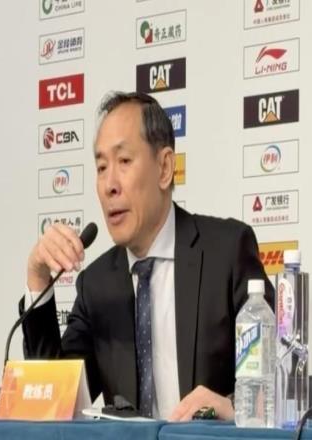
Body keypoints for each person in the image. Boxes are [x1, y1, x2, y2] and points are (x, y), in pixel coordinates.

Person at [21, 91, 274, 421]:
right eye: (101, 167)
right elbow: (54, 403)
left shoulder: (226, 253)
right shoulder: (96, 285)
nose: (109, 185)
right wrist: (38, 278)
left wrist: (233, 407)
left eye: (124, 161)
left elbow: (278, 380)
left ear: (165, 168)